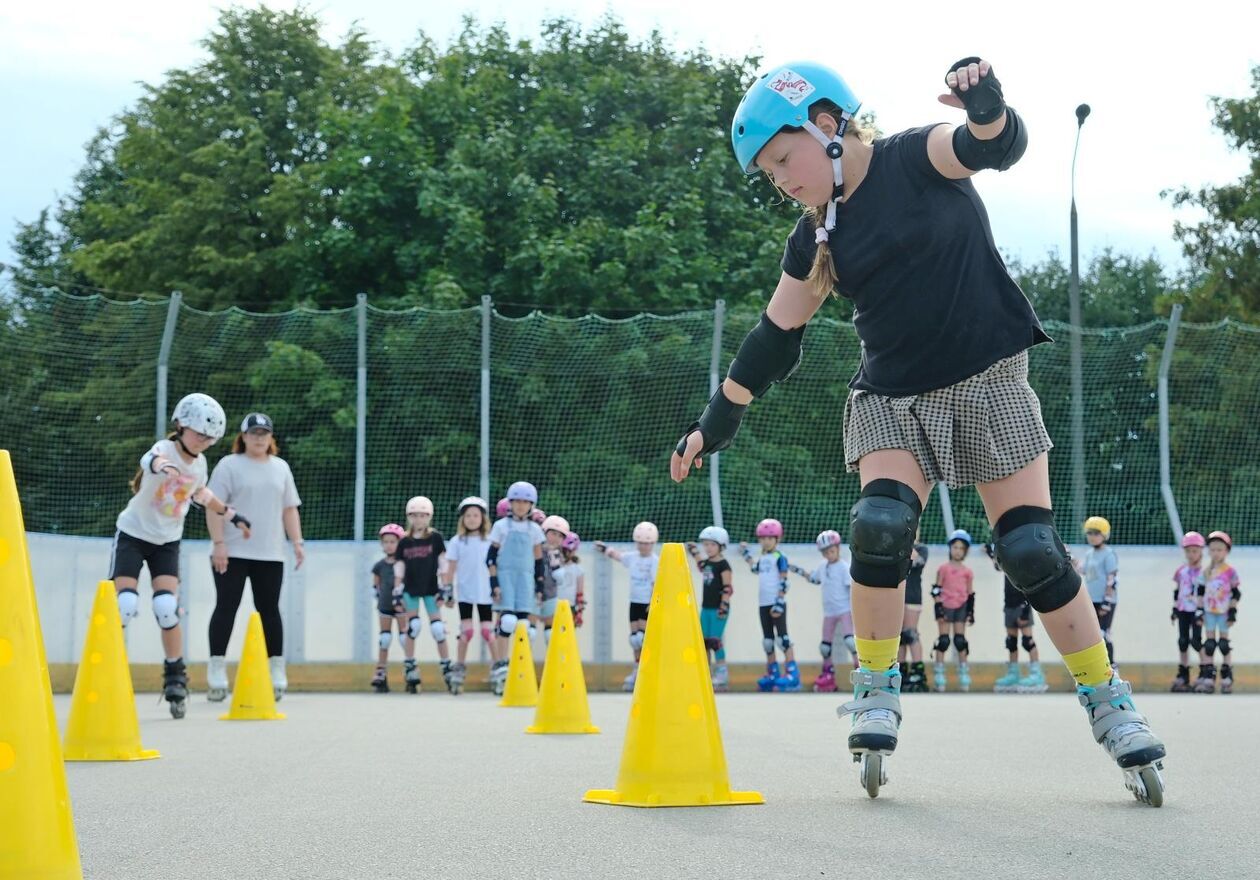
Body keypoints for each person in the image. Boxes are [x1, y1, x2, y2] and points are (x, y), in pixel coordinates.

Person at [669, 57, 1166, 804]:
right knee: (879, 526)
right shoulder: (819, 236)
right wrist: (716, 419)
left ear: (827, 126)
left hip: (990, 380)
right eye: (768, 175)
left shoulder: (915, 156)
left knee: (1030, 547)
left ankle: (1107, 698)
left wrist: (988, 107)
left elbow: (989, 145)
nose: (781, 180)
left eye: (782, 159)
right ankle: (875, 686)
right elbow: (776, 334)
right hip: (893, 398)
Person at [112, 393, 249, 718]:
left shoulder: (200, 464)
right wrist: (163, 466)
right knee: (125, 605)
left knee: (165, 607)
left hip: (167, 541)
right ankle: (109, 669)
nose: (204, 442)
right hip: (132, 534)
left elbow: (201, 494)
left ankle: (175, 676)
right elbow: (150, 461)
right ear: (180, 425)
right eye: (199, 434)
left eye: (210, 438)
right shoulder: (166, 449)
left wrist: (232, 515)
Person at [205, 412, 303, 702]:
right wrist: (219, 543)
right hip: (232, 551)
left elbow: (290, 508)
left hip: (270, 553)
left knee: (269, 610)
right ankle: (217, 669)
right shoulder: (229, 466)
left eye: (264, 433)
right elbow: (212, 506)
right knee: (226, 607)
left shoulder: (280, 468)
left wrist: (297, 542)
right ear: (243, 436)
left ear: (271, 437)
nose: (259, 438)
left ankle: (276, 670)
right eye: (254, 433)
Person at [486, 481, 546, 696]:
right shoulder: (501, 526)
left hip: (526, 579)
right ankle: (501, 665)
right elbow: (491, 557)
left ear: (531, 505)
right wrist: (494, 583)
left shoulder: (535, 529)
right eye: (517, 502)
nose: (521, 506)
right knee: (507, 622)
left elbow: (539, 561)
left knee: (525, 626)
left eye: (525, 502)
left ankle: (521, 666)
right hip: (506, 578)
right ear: (510, 503)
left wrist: (540, 586)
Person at [393, 496, 450, 694]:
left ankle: (446, 665)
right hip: (410, 588)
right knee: (414, 627)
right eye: (414, 516)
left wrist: (446, 586)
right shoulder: (404, 541)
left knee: (438, 629)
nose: (418, 520)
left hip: (431, 588)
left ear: (429, 517)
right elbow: (399, 565)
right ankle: (410, 665)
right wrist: (397, 589)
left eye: (423, 516)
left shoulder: (435, 538)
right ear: (409, 517)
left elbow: (443, 562)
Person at [595, 522, 660, 692]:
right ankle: (637, 670)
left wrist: (653, 603)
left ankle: (648, 671)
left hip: (647, 603)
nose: (643, 546)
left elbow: (656, 584)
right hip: (634, 601)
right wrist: (605, 549)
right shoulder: (633, 557)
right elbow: (618, 556)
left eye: (647, 543)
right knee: (634, 640)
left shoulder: (655, 561)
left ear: (653, 543)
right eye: (640, 543)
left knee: (644, 639)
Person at [788, 529, 855, 692]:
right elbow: (813, 578)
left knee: (850, 641)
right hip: (829, 612)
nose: (829, 555)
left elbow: (852, 589)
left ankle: (860, 670)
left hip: (844, 609)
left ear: (838, 549)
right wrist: (797, 570)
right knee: (825, 647)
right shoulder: (822, 567)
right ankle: (828, 674)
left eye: (831, 551)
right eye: (825, 552)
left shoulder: (844, 567)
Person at [443, 496, 496, 694]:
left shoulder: (491, 541)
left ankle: (497, 667)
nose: (472, 519)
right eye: (468, 516)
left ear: (483, 518)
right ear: (462, 519)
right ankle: (459, 668)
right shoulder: (458, 541)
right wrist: (447, 589)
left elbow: (497, 565)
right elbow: (450, 567)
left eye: (476, 515)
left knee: (488, 632)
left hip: (487, 593)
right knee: (466, 632)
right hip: (465, 592)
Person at [741, 519, 799, 692]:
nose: (766, 541)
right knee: (767, 641)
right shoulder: (764, 557)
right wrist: (746, 553)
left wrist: (780, 600)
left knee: (783, 639)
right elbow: (754, 568)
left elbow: (784, 580)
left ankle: (792, 675)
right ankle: (773, 673)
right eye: (762, 538)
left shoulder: (779, 557)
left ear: (777, 539)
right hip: (763, 603)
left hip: (776, 602)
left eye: (769, 538)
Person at [985, 542, 1046, 693]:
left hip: (1022, 604)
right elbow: (997, 566)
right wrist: (989, 551)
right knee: (1011, 641)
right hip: (1009, 604)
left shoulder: (1026, 563)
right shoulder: (1006, 561)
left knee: (1027, 640)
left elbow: (1031, 586)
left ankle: (1036, 674)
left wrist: (1026, 607)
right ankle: (1013, 674)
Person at [687, 527, 734, 691]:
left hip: (718, 608)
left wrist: (724, 604)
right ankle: (705, 673)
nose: (707, 548)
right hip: (705, 608)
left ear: (721, 546)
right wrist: (694, 551)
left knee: (715, 640)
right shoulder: (707, 563)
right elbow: (701, 565)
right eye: (705, 545)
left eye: (711, 545)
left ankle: (721, 673)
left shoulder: (723, 565)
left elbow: (728, 587)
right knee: (704, 642)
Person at [1195, 531, 1241, 694]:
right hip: (1209, 611)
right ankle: (1209, 676)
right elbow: (1200, 591)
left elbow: (1236, 592)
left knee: (1223, 644)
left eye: (1219, 549)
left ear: (1226, 551)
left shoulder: (1230, 571)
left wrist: (1233, 610)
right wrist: (1199, 610)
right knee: (1209, 644)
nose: (1216, 553)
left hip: (1223, 612)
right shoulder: (1206, 572)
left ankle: (1227, 676)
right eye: (1213, 549)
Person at [930, 530, 975, 692]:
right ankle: (939, 674)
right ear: (950, 548)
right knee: (943, 641)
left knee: (960, 641)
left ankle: (963, 673)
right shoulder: (943, 568)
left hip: (961, 606)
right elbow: (936, 589)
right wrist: (938, 609)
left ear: (965, 551)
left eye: (961, 548)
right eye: (955, 547)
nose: (957, 550)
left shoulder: (968, 572)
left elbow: (970, 594)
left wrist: (971, 613)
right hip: (945, 606)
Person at [370, 524, 406, 693]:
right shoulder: (379, 565)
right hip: (384, 605)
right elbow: (375, 584)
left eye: (393, 541)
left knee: (405, 638)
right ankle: (381, 672)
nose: (389, 545)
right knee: (384, 639)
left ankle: (410, 669)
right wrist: (376, 594)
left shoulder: (404, 564)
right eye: (386, 542)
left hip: (401, 606)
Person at [1080, 516, 1119, 665]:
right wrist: (1067, 557)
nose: (1092, 537)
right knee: (1092, 636)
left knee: (1104, 634)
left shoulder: (1108, 554)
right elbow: (1082, 570)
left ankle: (1112, 666)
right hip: (1092, 600)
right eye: (1089, 533)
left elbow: (1112, 579)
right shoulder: (1089, 554)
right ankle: (1098, 667)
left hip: (1105, 601)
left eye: (1096, 533)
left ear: (1104, 535)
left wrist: (1106, 601)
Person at [1170, 531, 1205, 692]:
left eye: (1194, 551)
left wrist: (1202, 610)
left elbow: (1207, 592)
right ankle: (1184, 675)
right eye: (1188, 551)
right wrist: (1175, 608)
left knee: (1196, 642)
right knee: (1183, 641)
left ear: (1201, 551)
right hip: (1183, 609)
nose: (1191, 554)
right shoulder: (1181, 571)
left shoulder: (1205, 572)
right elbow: (1178, 590)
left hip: (1197, 611)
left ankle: (1205, 673)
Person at [898, 530, 929, 692]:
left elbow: (918, 562)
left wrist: (908, 543)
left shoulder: (922, 549)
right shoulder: (897, 548)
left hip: (912, 597)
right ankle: (901, 670)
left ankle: (918, 671)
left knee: (911, 634)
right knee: (900, 637)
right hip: (897, 596)